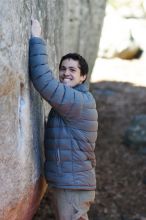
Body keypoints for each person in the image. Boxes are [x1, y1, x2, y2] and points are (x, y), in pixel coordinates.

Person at [29, 18, 98, 220]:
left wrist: (36, 38)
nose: (65, 73)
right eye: (62, 68)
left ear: (83, 77)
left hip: (73, 186)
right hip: (69, 183)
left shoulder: (78, 100)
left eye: (72, 70)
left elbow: (43, 80)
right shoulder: (73, 102)